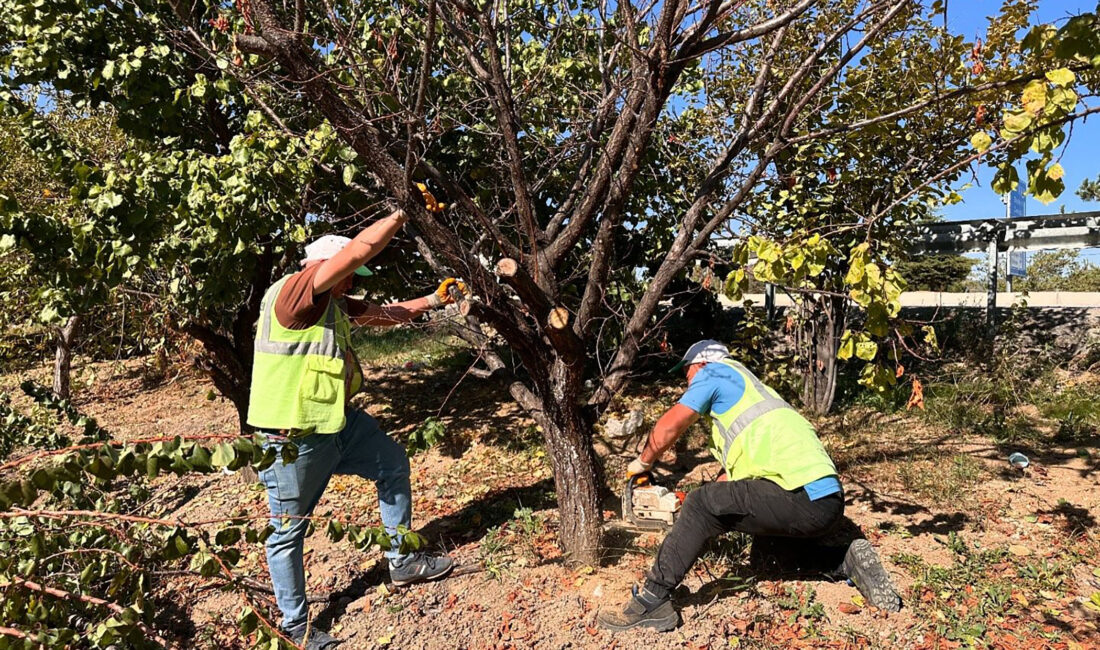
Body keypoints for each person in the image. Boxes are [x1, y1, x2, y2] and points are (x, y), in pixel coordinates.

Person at [247, 204, 462, 648]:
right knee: (288, 530)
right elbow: (358, 251)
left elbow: (383, 314)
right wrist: (403, 211)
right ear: (324, 267)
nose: (350, 284)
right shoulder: (297, 291)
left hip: (336, 424)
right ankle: (295, 627)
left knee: (392, 463)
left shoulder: (333, 302)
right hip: (292, 438)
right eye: (347, 275)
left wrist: (435, 300)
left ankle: (401, 560)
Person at [598, 340, 901, 632]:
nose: (687, 382)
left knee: (702, 503)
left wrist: (643, 463)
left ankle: (652, 600)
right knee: (766, 557)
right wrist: (688, 519)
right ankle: (842, 560)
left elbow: (668, 427)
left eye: (687, 372)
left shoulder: (716, 372)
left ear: (702, 363)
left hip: (800, 495)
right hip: (825, 502)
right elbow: (732, 485)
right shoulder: (755, 396)